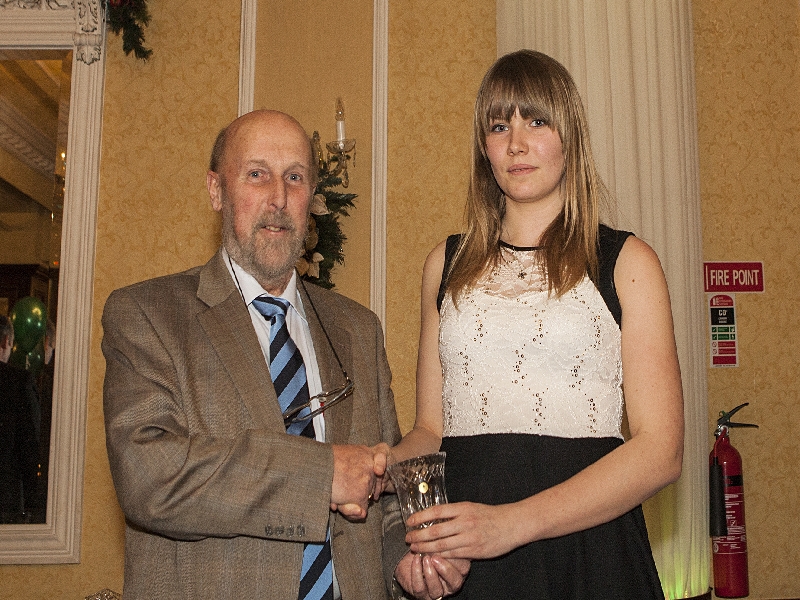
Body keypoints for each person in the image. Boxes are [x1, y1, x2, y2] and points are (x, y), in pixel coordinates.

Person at [102, 109, 467, 600]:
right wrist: (322, 475)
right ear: (216, 190)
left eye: (294, 178)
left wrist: (406, 567)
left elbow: (383, 497)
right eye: (257, 175)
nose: (278, 198)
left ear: (311, 198)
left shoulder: (357, 329)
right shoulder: (149, 315)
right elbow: (149, 478)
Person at [391, 50, 684, 599]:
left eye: (537, 121)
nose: (516, 144)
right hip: (469, 556)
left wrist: (510, 524)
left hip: (589, 553)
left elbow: (660, 450)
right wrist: (380, 468)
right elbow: (429, 431)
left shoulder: (627, 262)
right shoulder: (445, 264)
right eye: (499, 126)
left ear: (570, 137)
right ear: (484, 148)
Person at [0, 314, 42, 524]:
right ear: (6, 341)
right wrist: (34, 504)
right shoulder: (19, 381)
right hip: (6, 500)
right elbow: (30, 445)